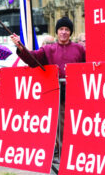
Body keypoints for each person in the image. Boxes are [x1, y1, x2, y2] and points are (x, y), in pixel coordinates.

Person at [10, 16, 85, 152]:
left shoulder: (80, 49)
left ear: (70, 32)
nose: (63, 32)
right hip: (58, 96)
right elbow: (32, 59)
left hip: (78, 97)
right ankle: (65, 162)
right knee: (62, 131)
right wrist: (20, 47)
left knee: (79, 130)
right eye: (61, 29)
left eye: (67, 29)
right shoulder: (48, 49)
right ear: (56, 32)